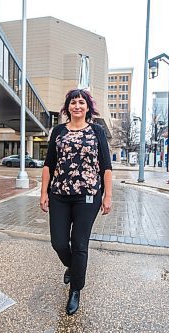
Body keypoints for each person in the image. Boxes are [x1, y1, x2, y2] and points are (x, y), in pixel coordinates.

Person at [40, 88, 112, 315]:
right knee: (59, 243)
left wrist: (108, 196)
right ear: (67, 107)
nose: (77, 106)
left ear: (88, 107)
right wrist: (43, 193)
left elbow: (106, 166)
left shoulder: (97, 131)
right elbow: (48, 164)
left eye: (81, 102)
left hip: (88, 196)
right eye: (73, 102)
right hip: (59, 194)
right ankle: (72, 267)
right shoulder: (59, 131)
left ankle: (75, 290)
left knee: (79, 244)